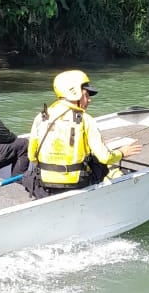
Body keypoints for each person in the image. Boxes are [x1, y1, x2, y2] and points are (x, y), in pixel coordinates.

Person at [23, 70, 142, 199]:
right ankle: (113, 180)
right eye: (86, 95)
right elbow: (105, 157)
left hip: (45, 182)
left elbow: (32, 156)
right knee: (99, 161)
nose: (89, 100)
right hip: (76, 183)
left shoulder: (41, 117)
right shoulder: (86, 119)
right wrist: (122, 152)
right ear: (75, 94)